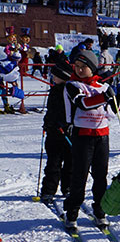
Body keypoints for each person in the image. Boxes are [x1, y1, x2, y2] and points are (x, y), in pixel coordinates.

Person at [62, 50, 117, 233]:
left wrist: (116, 98)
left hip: (102, 135)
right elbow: (83, 104)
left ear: (92, 68)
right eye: (76, 67)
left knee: (100, 175)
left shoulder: (101, 86)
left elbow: (112, 112)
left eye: (83, 67)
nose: (78, 70)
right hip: (82, 135)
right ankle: (72, 211)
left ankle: (100, 210)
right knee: (80, 175)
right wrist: (104, 97)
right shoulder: (72, 85)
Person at [39, 60, 75, 205]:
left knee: (70, 163)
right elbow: (51, 112)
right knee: (53, 163)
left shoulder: (70, 90)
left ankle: (67, 187)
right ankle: (49, 190)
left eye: (55, 76)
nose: (53, 78)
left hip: (68, 133)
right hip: (54, 133)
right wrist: (47, 124)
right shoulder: (54, 91)